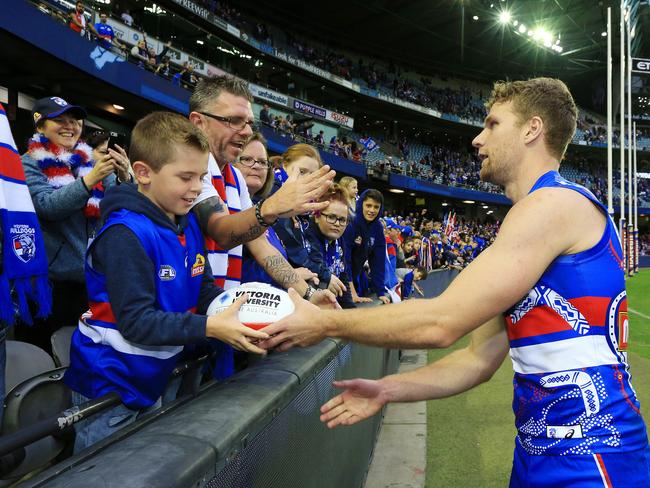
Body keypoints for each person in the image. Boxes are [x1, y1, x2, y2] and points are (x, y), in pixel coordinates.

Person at [261, 78, 650, 487]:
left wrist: (324, 324)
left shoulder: (554, 204)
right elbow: (477, 359)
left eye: (493, 124)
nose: (478, 139)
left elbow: (441, 322)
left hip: (593, 457)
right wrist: (389, 389)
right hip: (541, 455)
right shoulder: (532, 222)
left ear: (531, 130)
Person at [63, 112, 268, 452]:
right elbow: (137, 322)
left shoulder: (186, 223)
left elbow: (203, 289)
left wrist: (242, 312)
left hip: (156, 375)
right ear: (143, 172)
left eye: (201, 177)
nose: (196, 189)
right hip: (111, 386)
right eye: (185, 177)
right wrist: (212, 327)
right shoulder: (125, 233)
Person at [187, 76, 336, 376]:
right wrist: (270, 208)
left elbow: (261, 245)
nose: (245, 132)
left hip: (217, 323)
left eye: (249, 123)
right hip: (181, 325)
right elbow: (222, 230)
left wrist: (306, 293)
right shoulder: (189, 166)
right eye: (234, 121)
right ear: (198, 121)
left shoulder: (234, 177)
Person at [18, 97, 130, 353]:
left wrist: (124, 177)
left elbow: (120, 206)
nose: (70, 126)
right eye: (60, 120)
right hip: (49, 285)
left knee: (84, 353)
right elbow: (47, 206)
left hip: (91, 279)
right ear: (40, 126)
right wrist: (89, 181)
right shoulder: (28, 162)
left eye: (74, 120)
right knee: (41, 355)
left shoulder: (88, 161)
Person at [234, 133, 315, 287]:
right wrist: (292, 275)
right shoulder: (228, 208)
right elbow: (237, 270)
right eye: (247, 159)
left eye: (262, 162)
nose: (256, 165)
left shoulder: (264, 211)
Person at [271, 144, 344, 298]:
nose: (307, 180)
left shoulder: (304, 209)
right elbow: (295, 251)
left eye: (312, 175)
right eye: (302, 172)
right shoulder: (272, 194)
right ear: (285, 166)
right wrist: (325, 276)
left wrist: (324, 274)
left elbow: (310, 250)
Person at [309, 184, 355, 308]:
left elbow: (343, 276)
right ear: (317, 216)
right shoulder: (308, 236)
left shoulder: (339, 240)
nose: (337, 224)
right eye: (331, 217)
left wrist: (350, 312)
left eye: (342, 219)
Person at [343, 189, 389, 304]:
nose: (372, 210)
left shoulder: (378, 228)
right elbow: (345, 260)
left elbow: (378, 261)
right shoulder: (351, 224)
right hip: (339, 277)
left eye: (376, 207)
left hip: (355, 276)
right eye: (368, 205)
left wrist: (380, 292)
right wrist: (351, 292)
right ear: (361, 204)